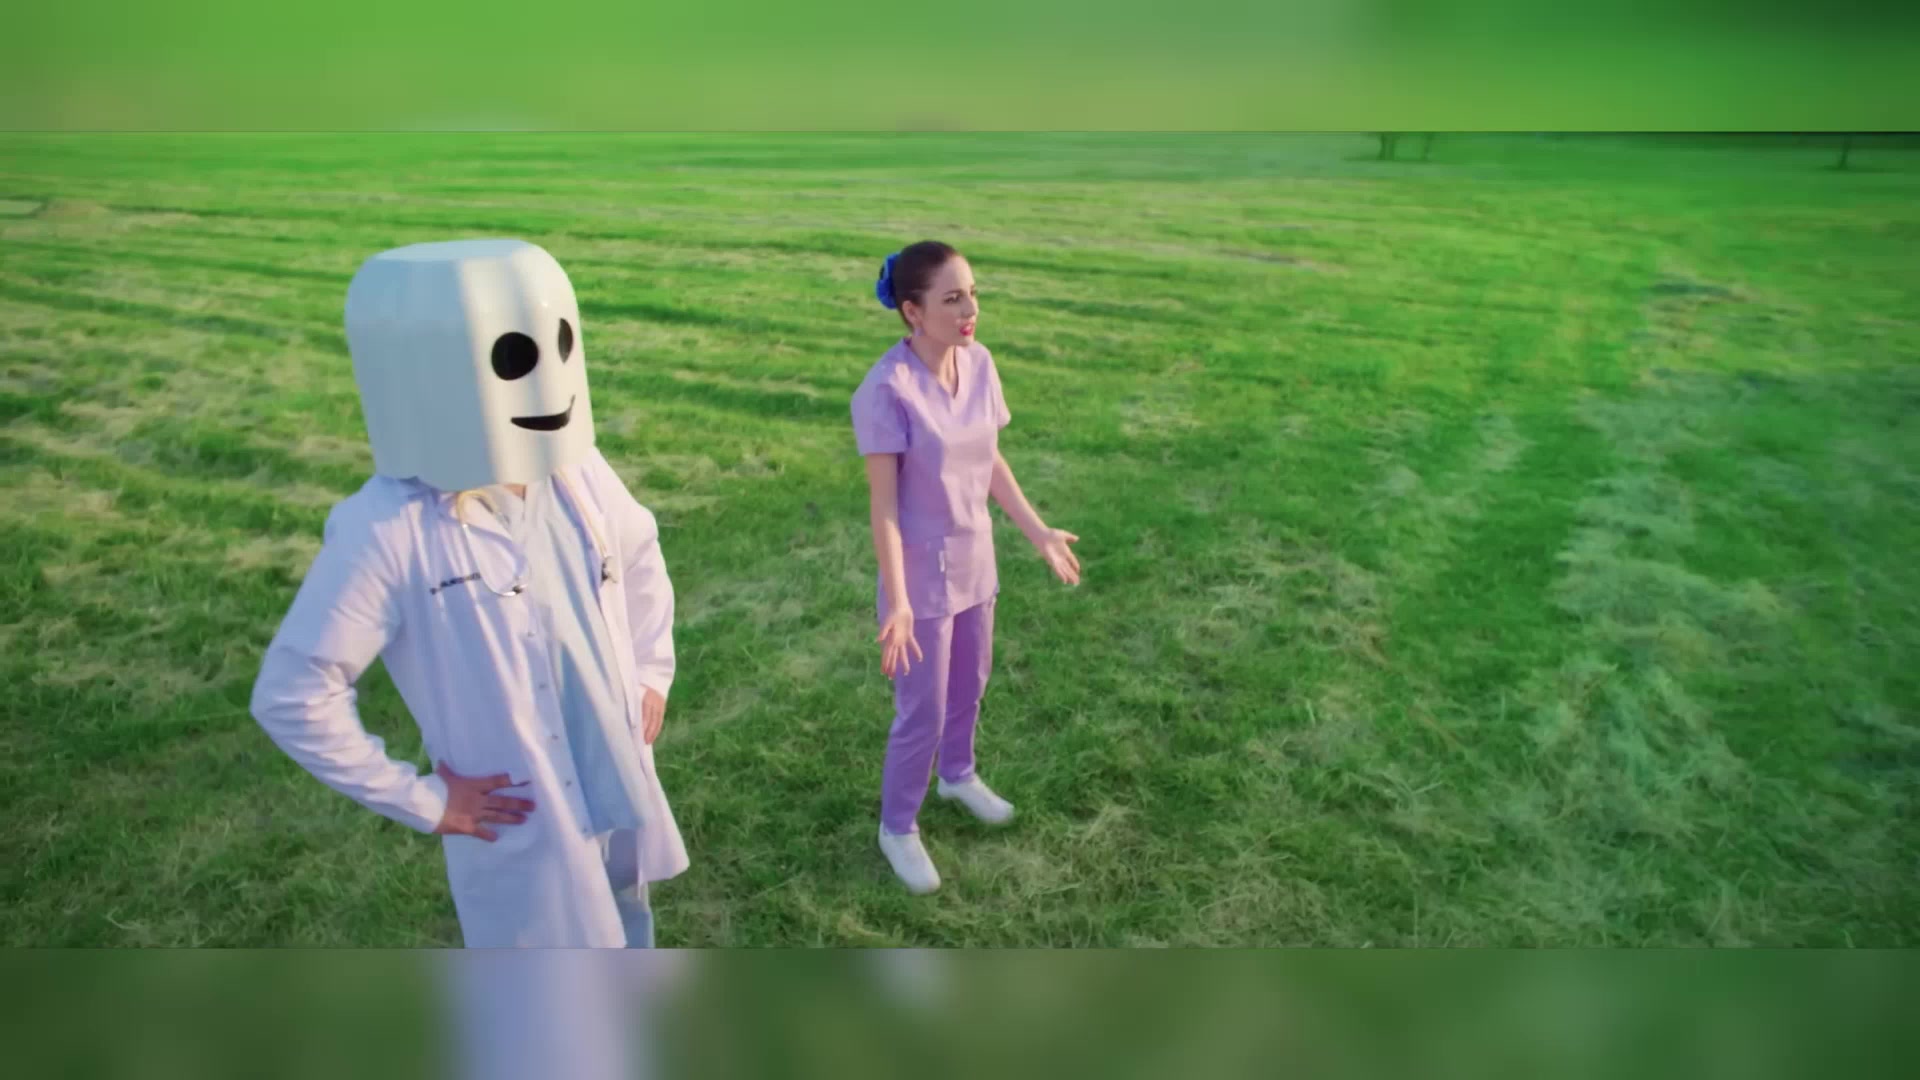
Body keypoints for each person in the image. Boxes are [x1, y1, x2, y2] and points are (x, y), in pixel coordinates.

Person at [250, 238, 686, 947]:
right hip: (526, 812)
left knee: (627, 915)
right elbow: (293, 694)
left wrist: (649, 671)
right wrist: (423, 800)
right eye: (514, 359)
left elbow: (638, 553)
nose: (546, 383)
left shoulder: (573, 468)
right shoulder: (386, 528)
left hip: (613, 763)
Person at [851, 240, 1083, 895]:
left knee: (970, 683)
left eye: (973, 294)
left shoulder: (979, 363)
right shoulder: (885, 390)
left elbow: (989, 458)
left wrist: (1037, 530)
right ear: (912, 311)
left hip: (975, 561)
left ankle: (957, 776)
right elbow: (884, 508)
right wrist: (898, 600)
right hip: (920, 578)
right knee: (920, 710)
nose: (970, 310)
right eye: (952, 299)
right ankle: (898, 826)